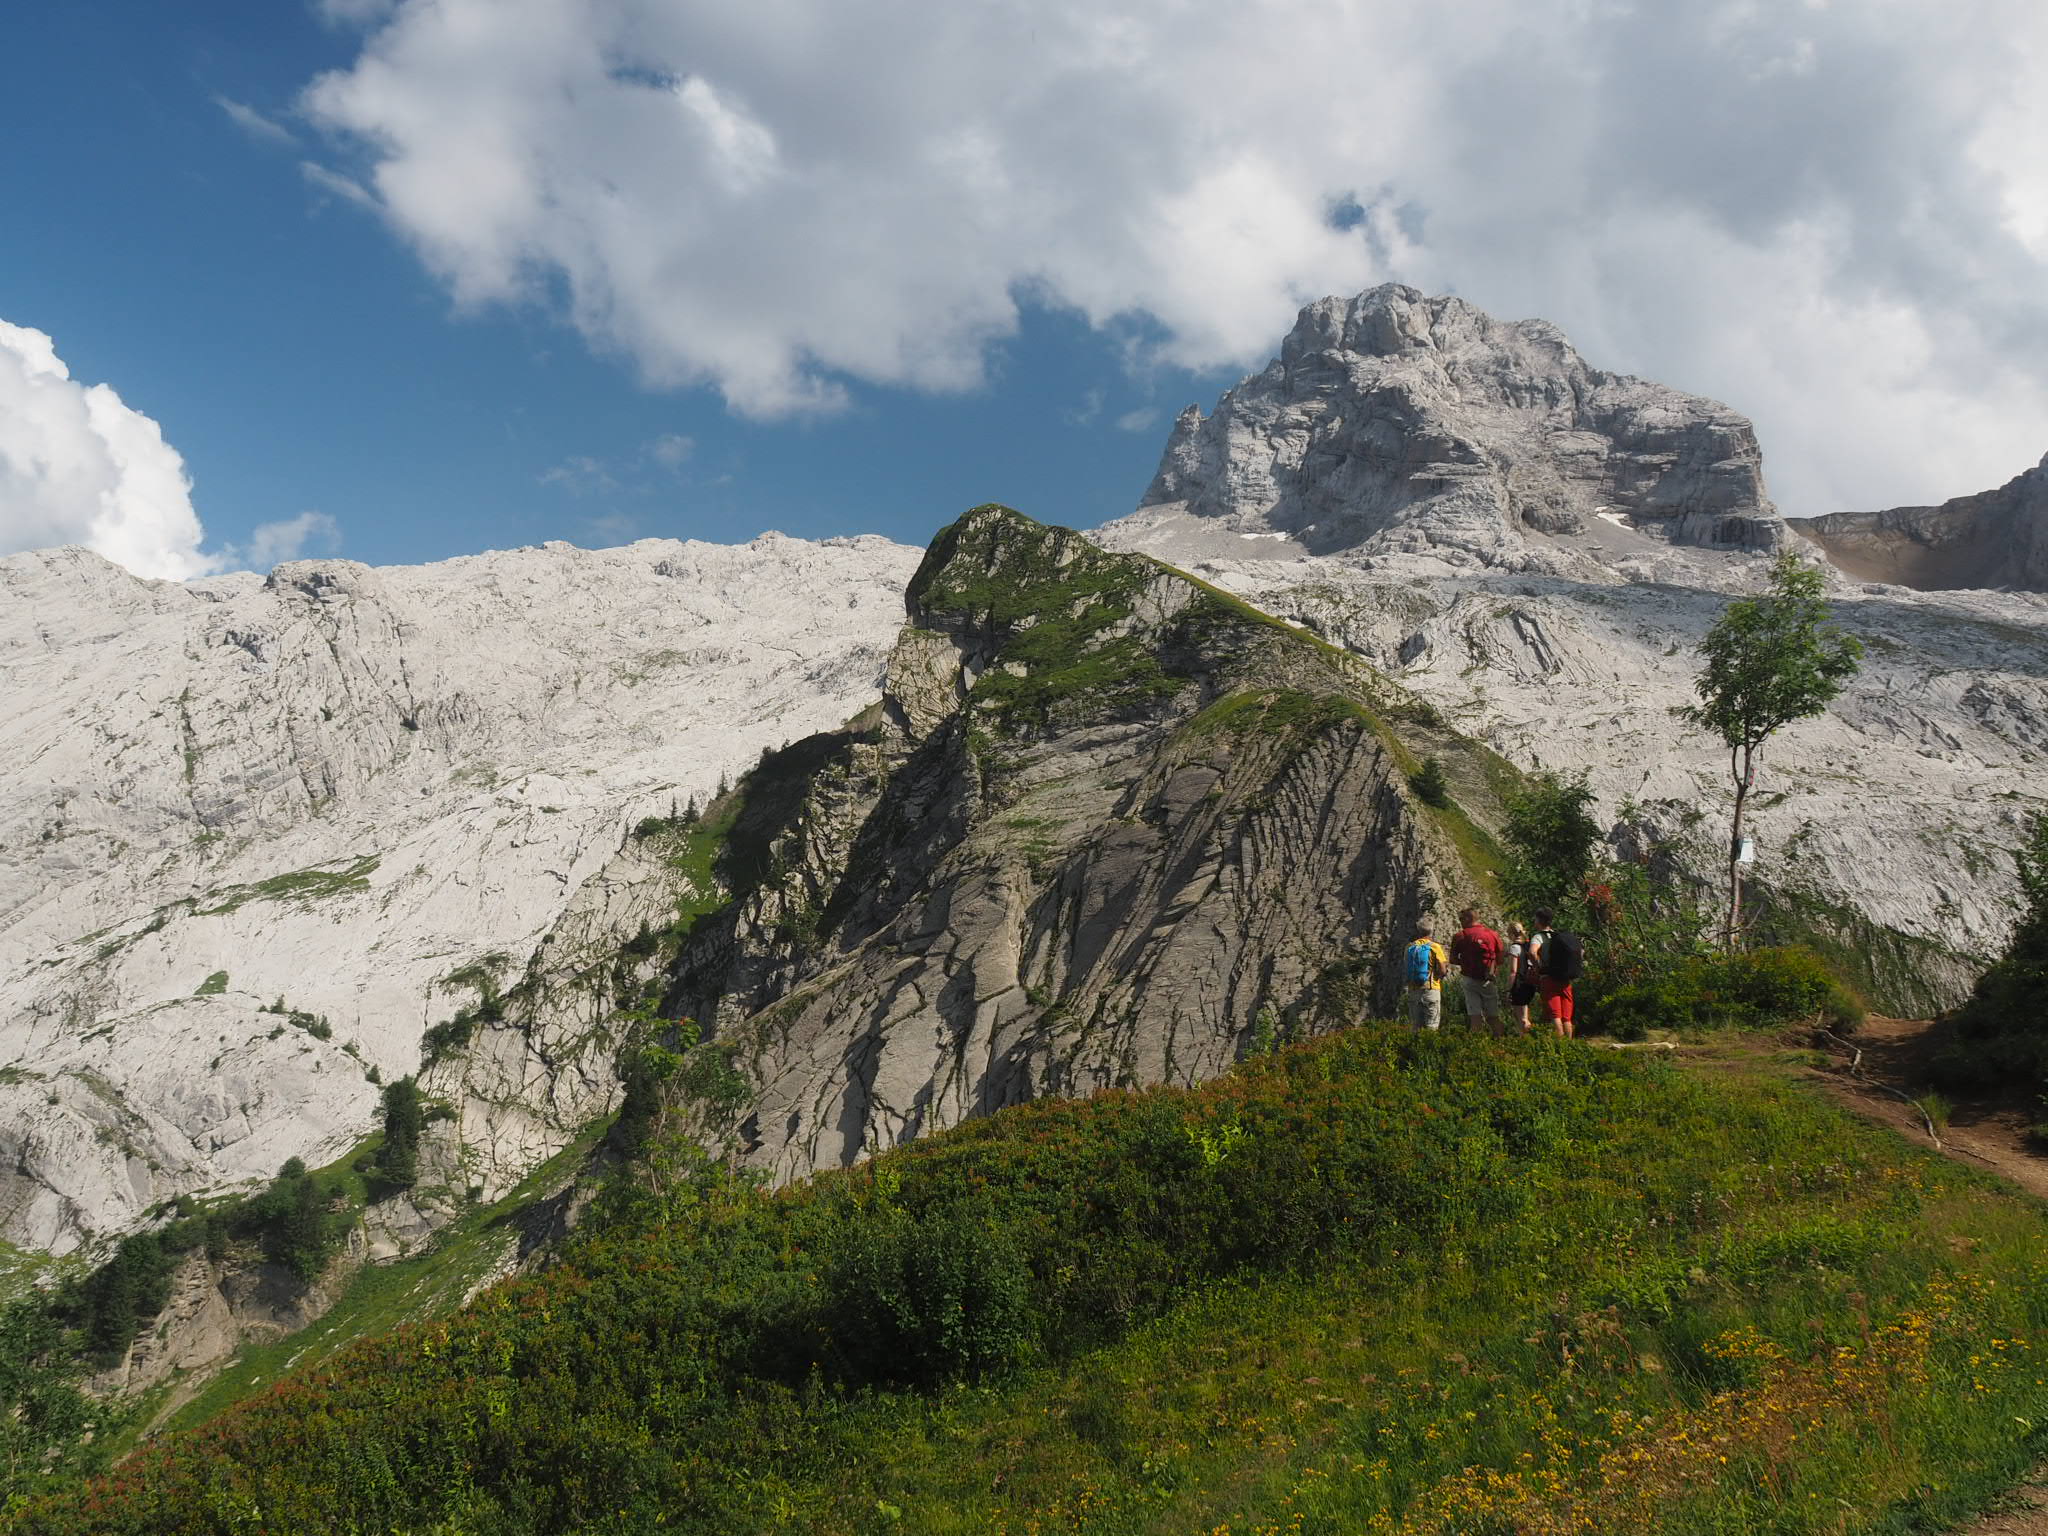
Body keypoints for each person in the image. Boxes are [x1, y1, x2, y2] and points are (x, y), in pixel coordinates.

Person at [1447, 907, 1505, 1035]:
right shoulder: (1492, 934)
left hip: (1469, 979)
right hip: (1488, 979)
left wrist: (1466, 963)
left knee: (1475, 1017)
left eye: (1461, 919)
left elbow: (1452, 959)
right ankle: (1501, 1044)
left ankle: (1475, 1048)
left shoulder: (1460, 936)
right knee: (1494, 1017)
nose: (1460, 922)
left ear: (1468, 918)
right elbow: (1500, 959)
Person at [1529, 906, 1579, 1038]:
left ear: (1539, 920)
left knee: (1555, 1015)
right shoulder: (1559, 936)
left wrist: (1539, 967)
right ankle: (1569, 1046)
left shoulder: (1538, 937)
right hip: (1565, 978)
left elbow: (1532, 952)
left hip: (1549, 978)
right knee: (1566, 1017)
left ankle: (1559, 1045)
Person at [1401, 922, 1449, 1031]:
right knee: (1432, 1024)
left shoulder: (1409, 947)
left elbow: (1406, 964)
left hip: (1413, 989)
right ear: (1431, 931)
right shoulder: (1435, 947)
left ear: (1418, 931)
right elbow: (1442, 970)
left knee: (1415, 1026)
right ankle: (1429, 1047)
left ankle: (1415, 1047)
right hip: (1431, 989)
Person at [1502, 920, 1536, 1034]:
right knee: (1525, 1014)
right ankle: (1530, 1037)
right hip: (1529, 983)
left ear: (1511, 934)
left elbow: (1513, 971)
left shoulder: (1514, 948)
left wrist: (1508, 989)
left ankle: (1524, 1039)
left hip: (1518, 984)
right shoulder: (1528, 945)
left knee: (1519, 1017)